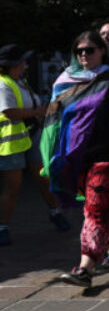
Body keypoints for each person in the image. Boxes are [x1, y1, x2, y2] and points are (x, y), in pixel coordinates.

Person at [45, 31, 109, 287]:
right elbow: (56, 119)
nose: (84, 54)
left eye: (89, 49)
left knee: (93, 210)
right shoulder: (65, 82)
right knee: (103, 210)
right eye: (79, 50)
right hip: (79, 157)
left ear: (102, 51)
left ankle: (85, 269)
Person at [0, 45, 70, 246]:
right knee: (12, 186)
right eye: (22, 61)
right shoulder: (3, 84)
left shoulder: (20, 81)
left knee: (43, 176)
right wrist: (38, 111)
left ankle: (55, 212)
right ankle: (3, 227)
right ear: (11, 65)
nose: (25, 64)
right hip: (11, 141)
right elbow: (9, 112)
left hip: (31, 135)